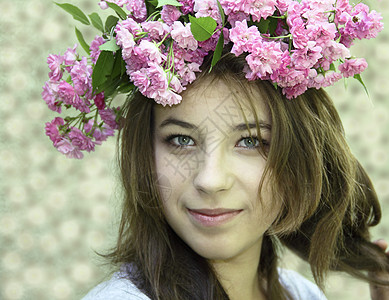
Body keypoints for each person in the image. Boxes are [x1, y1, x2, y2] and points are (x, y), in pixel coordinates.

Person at [42, 0, 389, 299]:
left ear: (299, 156)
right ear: (144, 154)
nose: (210, 180)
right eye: (181, 140)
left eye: (250, 141)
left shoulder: (301, 293)